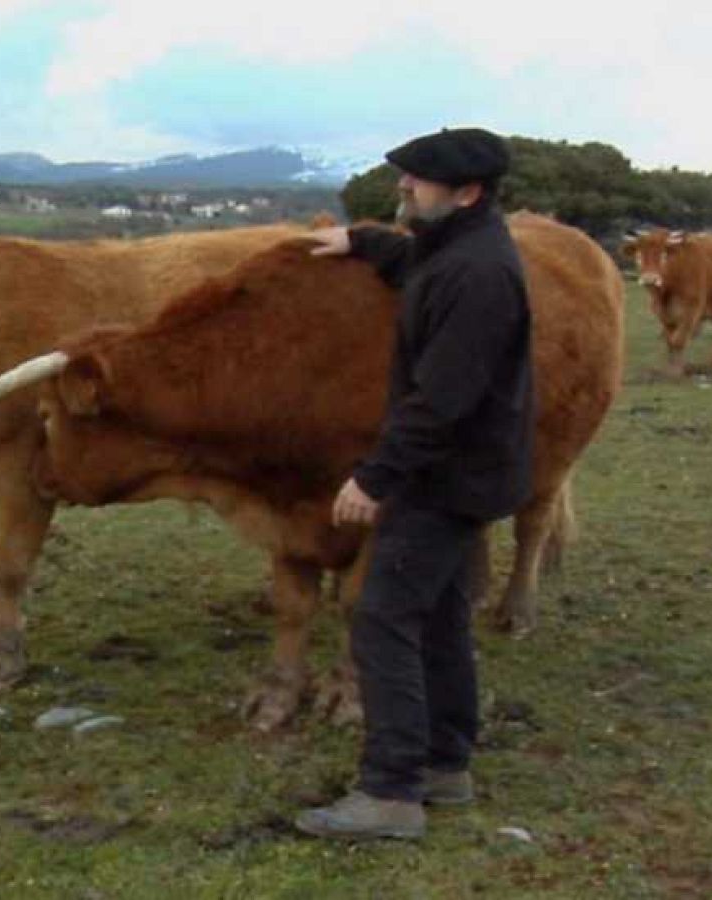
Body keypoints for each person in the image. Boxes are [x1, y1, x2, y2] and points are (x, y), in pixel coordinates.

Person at [295, 127, 535, 840]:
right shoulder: (459, 246)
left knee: (381, 616)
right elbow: (416, 262)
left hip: (446, 475)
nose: (403, 185)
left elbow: (442, 400)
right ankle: (444, 765)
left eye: (417, 179)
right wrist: (362, 241)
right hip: (467, 469)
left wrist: (375, 477)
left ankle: (391, 792)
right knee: (438, 617)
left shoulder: (479, 276)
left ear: (467, 192)